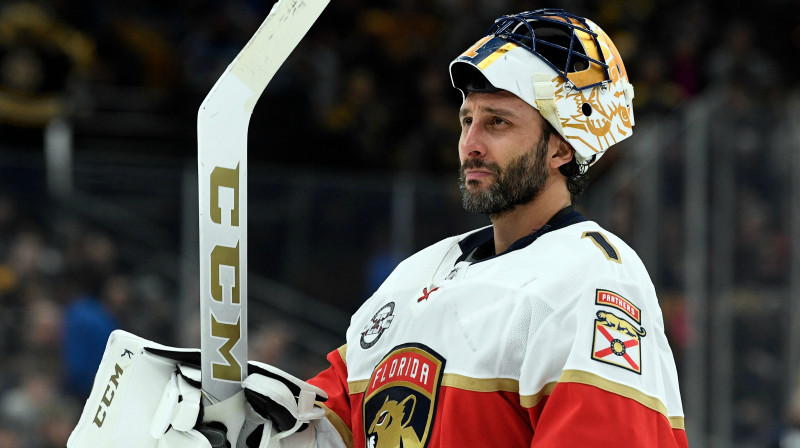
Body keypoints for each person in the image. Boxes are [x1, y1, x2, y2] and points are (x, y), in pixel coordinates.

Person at [68, 8, 687, 448]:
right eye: (467, 119)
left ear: (561, 148)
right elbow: (334, 419)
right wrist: (246, 431)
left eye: (498, 123)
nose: (469, 142)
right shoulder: (418, 275)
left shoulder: (593, 280)